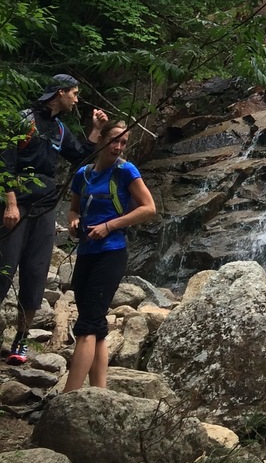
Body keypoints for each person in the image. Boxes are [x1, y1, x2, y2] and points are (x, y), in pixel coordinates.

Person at [1, 74, 107, 364]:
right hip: (17, 207)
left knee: (35, 274)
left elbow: (81, 157)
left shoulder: (60, 129)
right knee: (4, 270)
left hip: (45, 209)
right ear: (60, 92)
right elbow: (3, 160)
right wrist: (10, 203)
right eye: (74, 93)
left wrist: (96, 130)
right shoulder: (24, 120)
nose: (76, 98)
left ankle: (20, 341)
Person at [65, 120, 155, 391]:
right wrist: (73, 222)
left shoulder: (126, 171)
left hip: (111, 253)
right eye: (114, 140)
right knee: (97, 326)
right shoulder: (83, 174)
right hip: (86, 252)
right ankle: (99, 392)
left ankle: (68, 397)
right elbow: (73, 209)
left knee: (87, 326)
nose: (118, 147)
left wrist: (109, 226)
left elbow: (149, 208)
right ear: (101, 139)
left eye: (124, 143)